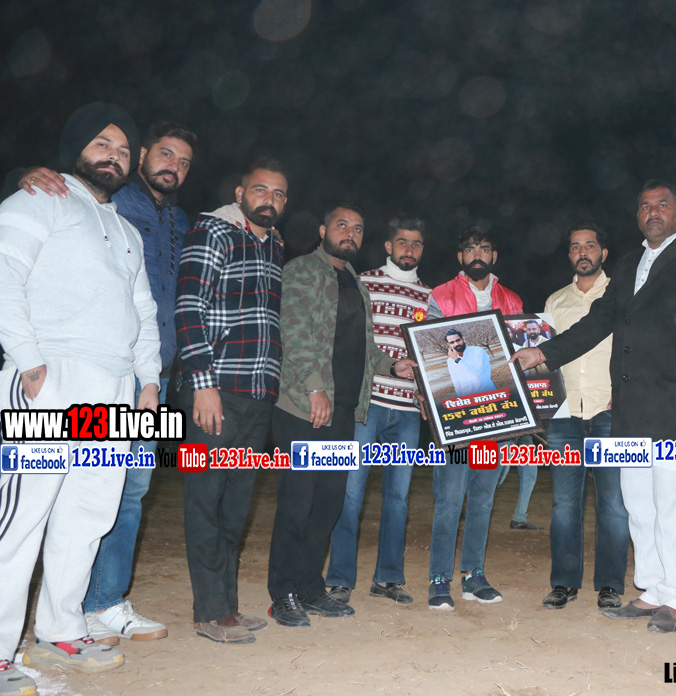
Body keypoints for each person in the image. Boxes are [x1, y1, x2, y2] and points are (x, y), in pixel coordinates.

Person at [514, 179, 676, 633]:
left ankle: (675, 597)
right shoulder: (631, 263)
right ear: (637, 216)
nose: (653, 212)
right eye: (645, 206)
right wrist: (543, 353)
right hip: (630, 408)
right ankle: (652, 589)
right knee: (637, 502)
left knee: (673, 501)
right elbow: (597, 321)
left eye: (662, 205)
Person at [15, 120, 198, 645]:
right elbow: (44, 208)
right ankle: (66, 615)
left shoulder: (177, 220)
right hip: (71, 369)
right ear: (143, 157)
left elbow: (160, 300)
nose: (174, 166)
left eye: (184, 161)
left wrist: (156, 376)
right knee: (40, 501)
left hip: (147, 373)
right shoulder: (101, 198)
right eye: (165, 154)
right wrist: (23, 173)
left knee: (124, 491)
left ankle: (100, 604)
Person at [0, 103, 159, 689]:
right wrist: (28, 359)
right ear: (77, 148)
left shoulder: (126, 231)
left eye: (123, 149)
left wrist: (147, 381)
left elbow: (143, 311)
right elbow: (3, 270)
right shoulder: (40, 198)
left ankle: (60, 630)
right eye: (101, 143)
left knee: (87, 514)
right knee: (22, 519)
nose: (113, 155)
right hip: (52, 377)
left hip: (113, 387)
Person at [267, 204, 416, 627]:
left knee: (328, 505)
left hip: (345, 410)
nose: (350, 233)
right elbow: (294, 332)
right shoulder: (302, 270)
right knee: (297, 504)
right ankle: (283, 593)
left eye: (357, 228)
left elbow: (364, 347)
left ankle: (311, 588)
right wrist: (314, 387)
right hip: (304, 407)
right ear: (323, 230)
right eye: (342, 225)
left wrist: (393, 366)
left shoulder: (355, 282)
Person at [174, 158, 287, 644]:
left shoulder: (273, 244)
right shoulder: (212, 232)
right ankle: (209, 611)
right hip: (215, 390)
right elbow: (188, 308)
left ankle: (227, 606)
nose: (269, 200)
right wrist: (202, 383)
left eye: (279, 193)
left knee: (236, 504)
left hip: (257, 393)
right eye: (260, 190)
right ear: (240, 194)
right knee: (206, 500)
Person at [326, 216, 431, 606]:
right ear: (388, 246)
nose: (409, 249)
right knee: (349, 494)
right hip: (365, 406)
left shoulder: (430, 296)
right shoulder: (364, 282)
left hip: (407, 411)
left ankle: (387, 579)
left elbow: (432, 355)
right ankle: (340, 579)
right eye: (402, 242)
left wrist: (427, 394)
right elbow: (352, 341)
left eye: (416, 244)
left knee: (398, 499)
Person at [425, 226, 522, 610]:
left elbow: (519, 358)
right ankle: (439, 579)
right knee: (449, 499)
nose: (476, 254)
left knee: (482, 499)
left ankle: (473, 575)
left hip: (496, 416)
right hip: (454, 417)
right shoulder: (441, 295)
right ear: (460, 257)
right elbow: (429, 353)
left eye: (484, 248)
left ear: (493, 256)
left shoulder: (511, 299)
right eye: (469, 249)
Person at [540, 223, 630, 611]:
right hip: (564, 415)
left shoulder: (622, 295)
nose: (583, 252)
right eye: (575, 246)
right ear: (569, 255)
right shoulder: (555, 301)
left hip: (609, 412)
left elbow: (634, 350)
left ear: (603, 253)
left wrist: (625, 394)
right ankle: (564, 583)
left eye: (590, 245)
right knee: (564, 505)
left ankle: (609, 585)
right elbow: (543, 360)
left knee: (614, 505)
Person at [443, 329, 496, 397]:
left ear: (463, 338)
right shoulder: (450, 360)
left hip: (487, 393)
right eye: (452, 342)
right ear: (449, 345)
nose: (456, 344)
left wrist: (457, 360)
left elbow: (477, 373)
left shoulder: (478, 351)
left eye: (458, 340)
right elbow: (456, 383)